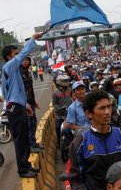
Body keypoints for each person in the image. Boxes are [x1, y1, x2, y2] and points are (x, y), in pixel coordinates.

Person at [69, 90, 121, 190]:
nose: (108, 112)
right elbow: (75, 180)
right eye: (102, 108)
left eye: (109, 107)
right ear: (89, 114)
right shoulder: (79, 143)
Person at [1, 32, 43, 178]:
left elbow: (9, 92)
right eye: (16, 53)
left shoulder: (12, 70)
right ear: (9, 56)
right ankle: (23, 170)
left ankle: (26, 166)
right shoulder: (10, 65)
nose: (20, 56)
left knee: (24, 137)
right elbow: (25, 52)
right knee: (20, 139)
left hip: (16, 106)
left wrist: (24, 104)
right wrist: (32, 38)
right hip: (15, 108)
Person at [20, 56, 44, 153]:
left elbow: (30, 88)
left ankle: (34, 143)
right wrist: (25, 103)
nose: (25, 62)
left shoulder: (28, 73)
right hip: (25, 104)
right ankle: (31, 146)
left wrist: (34, 101)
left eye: (27, 60)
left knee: (33, 123)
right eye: (24, 60)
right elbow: (20, 90)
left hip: (31, 102)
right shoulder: (19, 73)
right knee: (29, 125)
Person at [53, 75, 73, 147]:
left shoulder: (70, 90)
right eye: (64, 81)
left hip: (70, 111)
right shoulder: (55, 93)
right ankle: (59, 141)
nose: (66, 82)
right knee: (58, 126)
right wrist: (59, 109)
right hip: (60, 113)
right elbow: (54, 104)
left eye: (66, 81)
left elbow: (73, 99)